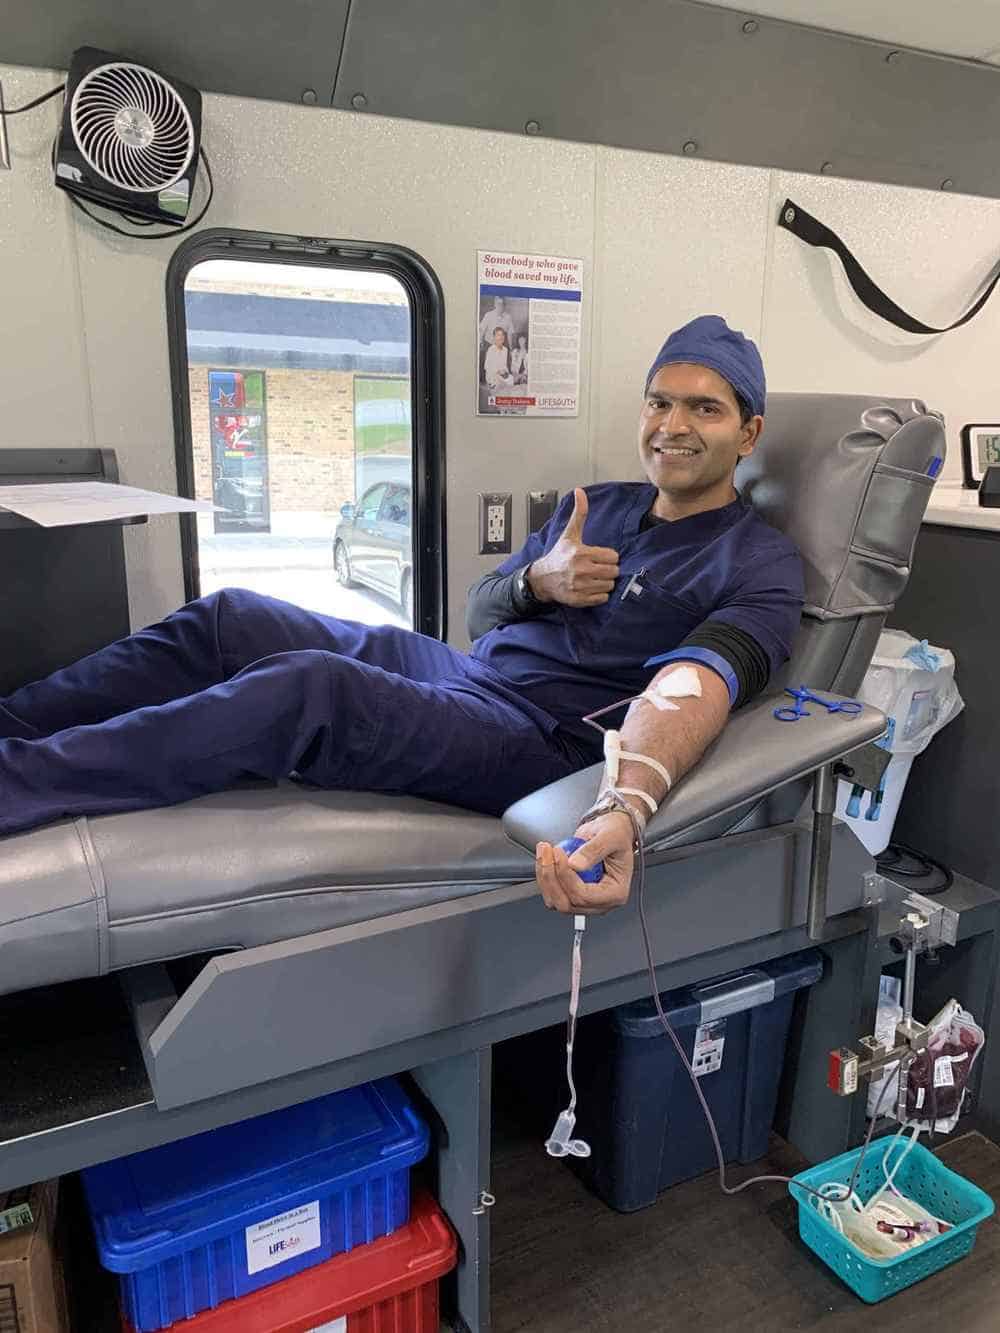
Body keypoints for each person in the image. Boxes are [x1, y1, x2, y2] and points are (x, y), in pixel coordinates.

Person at [0, 316, 803, 920]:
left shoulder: (757, 562)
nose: (673, 425)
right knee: (232, 617)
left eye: (704, 409)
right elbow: (479, 612)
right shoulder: (595, 505)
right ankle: (13, 723)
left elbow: (694, 687)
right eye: (660, 401)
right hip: (472, 674)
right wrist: (539, 581)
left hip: (549, 743)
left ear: (748, 433)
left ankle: (18, 784)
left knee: (310, 690)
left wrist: (624, 805)